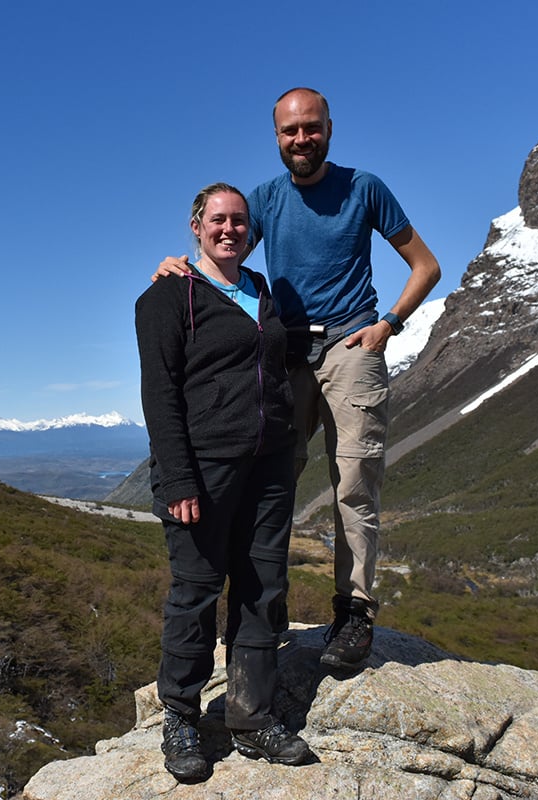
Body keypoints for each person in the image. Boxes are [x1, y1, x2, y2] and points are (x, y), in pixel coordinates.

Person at [156, 88, 441, 673]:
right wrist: (177, 268)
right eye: (290, 132)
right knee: (271, 481)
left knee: (354, 481)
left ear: (329, 129)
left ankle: (354, 612)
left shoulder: (365, 188)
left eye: (311, 128)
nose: (301, 140)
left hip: (351, 345)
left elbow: (426, 265)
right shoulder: (264, 199)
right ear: (277, 138)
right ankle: (267, 606)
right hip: (285, 352)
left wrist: (389, 324)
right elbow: (225, 253)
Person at [136, 183, 311, 783]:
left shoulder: (264, 291)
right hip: (203, 470)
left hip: (269, 465)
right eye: (218, 220)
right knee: (197, 588)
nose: (229, 229)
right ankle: (181, 717)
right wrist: (179, 479)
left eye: (239, 221)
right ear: (196, 227)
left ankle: (251, 715)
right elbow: (159, 396)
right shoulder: (166, 297)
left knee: (263, 585)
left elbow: (280, 363)